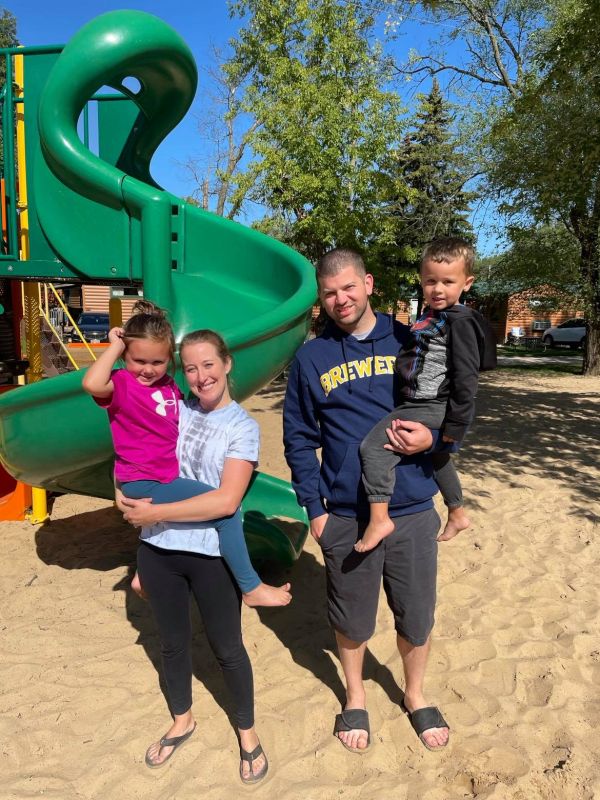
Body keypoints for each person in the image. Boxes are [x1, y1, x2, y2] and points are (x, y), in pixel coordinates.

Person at [283, 247, 451, 753]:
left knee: (416, 616)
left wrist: (436, 441)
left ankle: (415, 694)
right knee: (352, 620)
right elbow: (297, 438)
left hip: (415, 507)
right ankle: (355, 694)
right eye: (330, 293)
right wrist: (314, 511)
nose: (341, 300)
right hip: (346, 517)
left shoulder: (411, 339)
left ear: (369, 283)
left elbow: (449, 406)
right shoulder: (312, 357)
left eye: (349, 287)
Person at [118, 329, 278, 781]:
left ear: (227, 364)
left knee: (227, 648)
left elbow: (225, 502)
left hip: (210, 554)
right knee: (171, 644)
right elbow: (132, 451)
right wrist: (124, 497)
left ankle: (246, 732)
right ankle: (182, 719)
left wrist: (154, 510)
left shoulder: (241, 427)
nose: (200, 375)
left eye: (208, 364)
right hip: (158, 548)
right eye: (190, 367)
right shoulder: (173, 409)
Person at [82, 300, 290, 608]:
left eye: (158, 362)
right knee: (227, 513)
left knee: (199, 510)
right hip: (147, 481)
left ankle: (144, 573)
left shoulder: (170, 391)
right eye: (138, 360)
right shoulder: (123, 384)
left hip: (160, 478)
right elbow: (91, 383)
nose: (148, 369)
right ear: (126, 357)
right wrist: (114, 346)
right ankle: (250, 586)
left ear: (169, 361)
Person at [356, 237, 483, 553]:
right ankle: (457, 511)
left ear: (466, 283)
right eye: (431, 281)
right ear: (422, 280)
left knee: (372, 447)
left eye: (448, 282)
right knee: (437, 457)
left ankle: (379, 517)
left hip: (431, 404)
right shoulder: (433, 315)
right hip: (423, 401)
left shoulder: (460, 321)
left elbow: (467, 379)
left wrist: (454, 430)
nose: (438, 289)